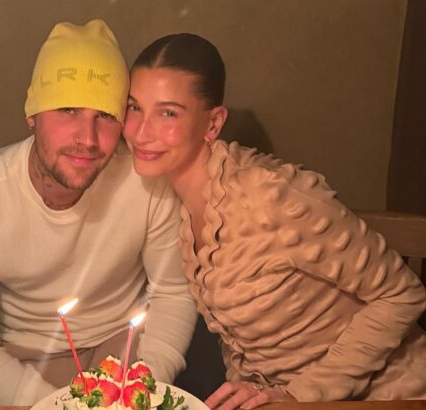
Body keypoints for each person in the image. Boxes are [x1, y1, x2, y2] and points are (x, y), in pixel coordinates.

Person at [122, 33, 426, 409]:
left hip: (388, 396)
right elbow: (242, 340)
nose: (140, 132)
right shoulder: (183, 207)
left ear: (213, 123)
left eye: (168, 113)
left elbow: (401, 294)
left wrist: (300, 394)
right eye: (135, 108)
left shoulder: (272, 195)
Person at [0, 20, 196, 406]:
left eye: (105, 116)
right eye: (68, 109)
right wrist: (62, 405)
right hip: (20, 361)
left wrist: (142, 386)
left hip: (123, 355)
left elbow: (173, 293)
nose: (87, 138)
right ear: (32, 114)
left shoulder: (148, 182)